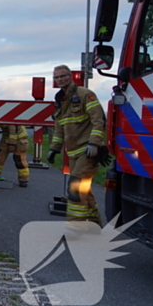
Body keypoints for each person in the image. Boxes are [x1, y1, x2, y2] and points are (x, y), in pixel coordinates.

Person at [47, 64, 106, 226]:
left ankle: (75, 230)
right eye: (56, 77)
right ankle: (95, 224)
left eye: (63, 76)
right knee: (83, 190)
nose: (60, 80)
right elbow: (60, 127)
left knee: (75, 189)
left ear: (70, 76)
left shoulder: (85, 95)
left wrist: (94, 144)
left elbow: (98, 120)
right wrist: (54, 149)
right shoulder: (61, 100)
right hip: (74, 154)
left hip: (88, 152)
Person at [0, 122, 30, 187]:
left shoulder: (8, 115)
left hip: (19, 139)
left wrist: (12, 144)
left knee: (19, 160)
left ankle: (23, 179)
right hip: (6, 138)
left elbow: (13, 129)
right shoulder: (0, 114)